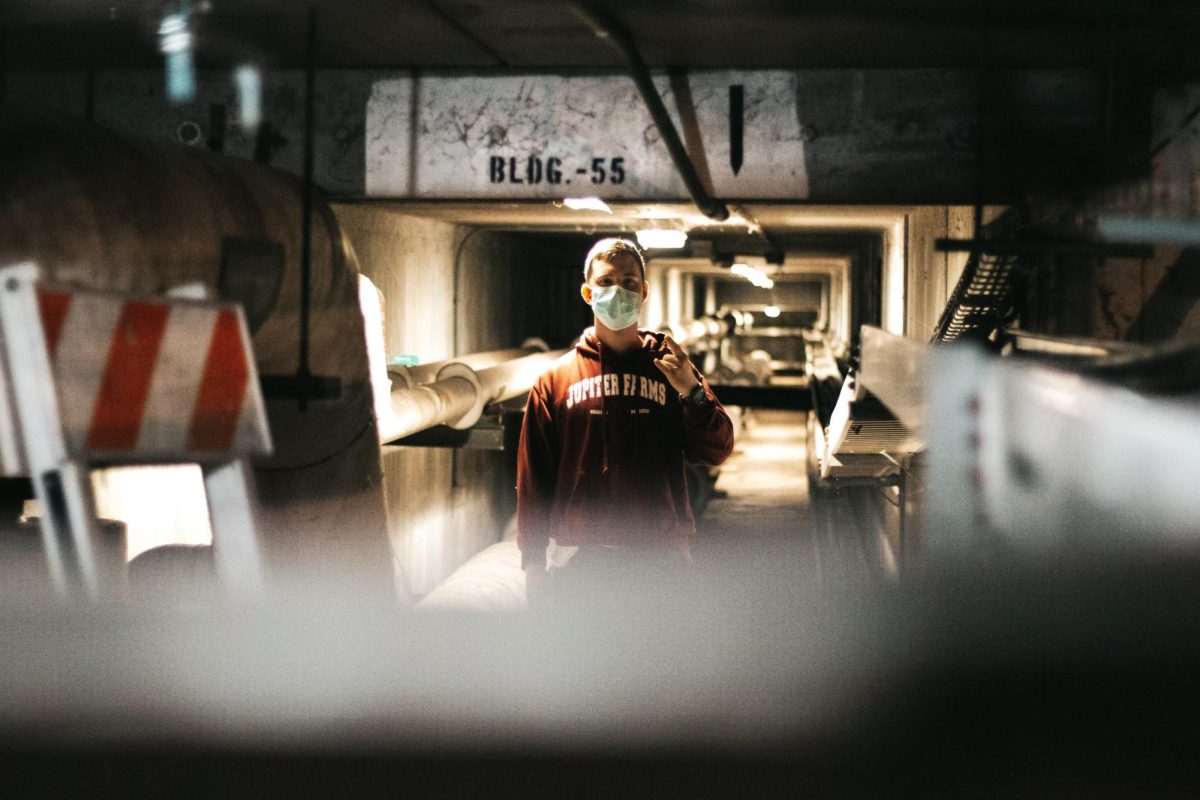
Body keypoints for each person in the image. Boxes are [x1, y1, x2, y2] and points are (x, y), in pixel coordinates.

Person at [516, 237, 734, 608]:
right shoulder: (555, 381)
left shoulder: (673, 368)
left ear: (644, 291)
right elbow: (533, 480)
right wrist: (533, 564)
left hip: (661, 556)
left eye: (629, 282)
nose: (617, 291)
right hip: (579, 559)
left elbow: (717, 449)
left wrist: (690, 390)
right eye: (605, 282)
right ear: (587, 292)